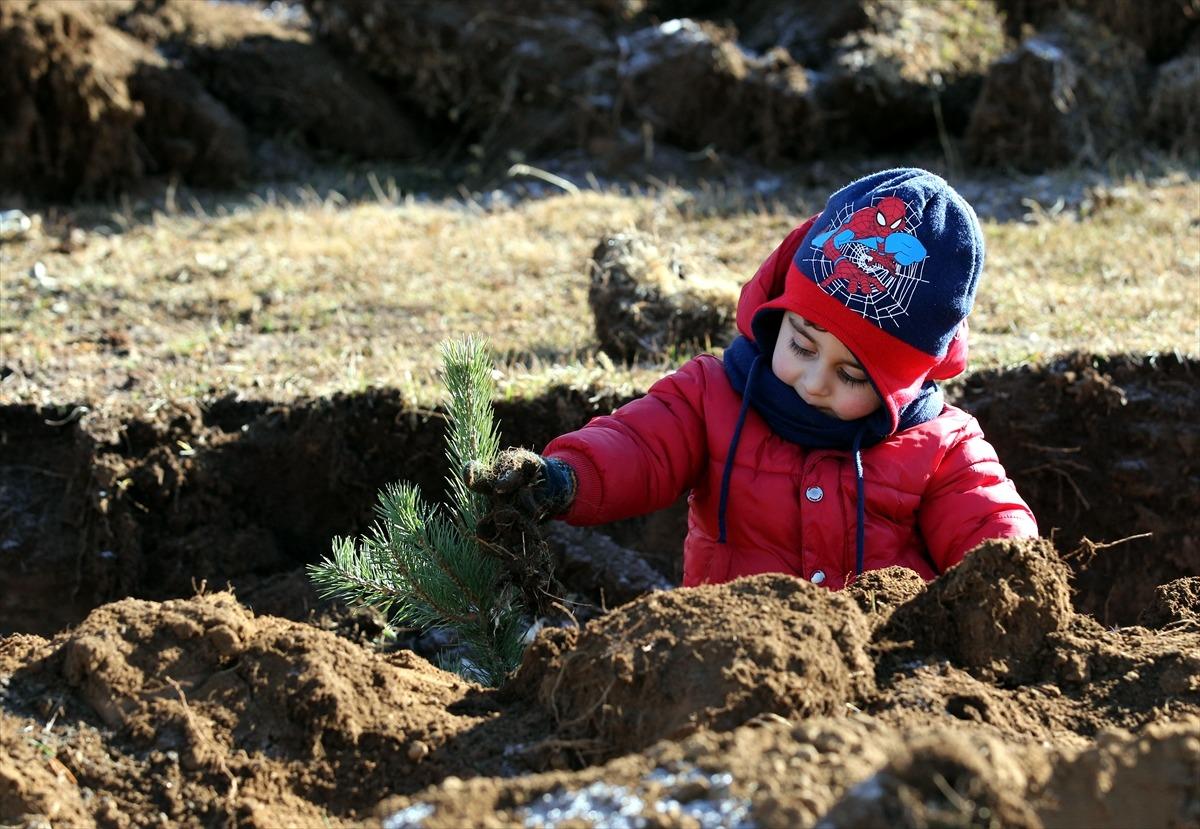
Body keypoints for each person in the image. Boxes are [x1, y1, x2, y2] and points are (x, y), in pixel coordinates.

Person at [467, 168, 1038, 591]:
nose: (813, 382)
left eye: (851, 375)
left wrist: (1014, 576)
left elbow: (989, 524)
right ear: (776, 314)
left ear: (905, 381)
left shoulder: (941, 447)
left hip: (884, 680)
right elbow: (640, 447)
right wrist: (565, 478)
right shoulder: (711, 395)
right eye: (801, 346)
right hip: (724, 664)